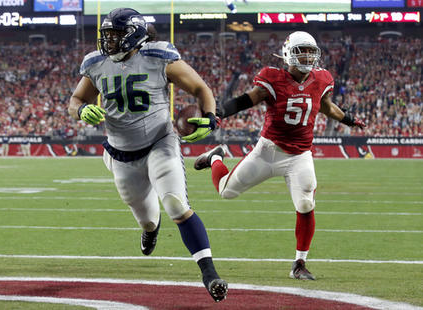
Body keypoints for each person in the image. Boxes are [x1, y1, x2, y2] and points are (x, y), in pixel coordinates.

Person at [68, 8, 227, 302]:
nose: (109, 41)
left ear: (134, 34)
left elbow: (200, 87)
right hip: (121, 152)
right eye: (107, 35)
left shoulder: (158, 56)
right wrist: (80, 109)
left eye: (116, 35)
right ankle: (151, 230)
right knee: (147, 219)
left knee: (176, 204)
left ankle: (209, 273)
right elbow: (76, 98)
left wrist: (210, 116)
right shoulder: (96, 62)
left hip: (159, 142)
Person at [194, 31, 366, 280]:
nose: (306, 56)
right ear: (288, 54)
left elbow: (326, 106)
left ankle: (299, 263)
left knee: (306, 203)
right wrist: (221, 111)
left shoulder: (322, 79)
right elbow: (247, 99)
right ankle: (215, 158)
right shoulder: (272, 78)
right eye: (301, 51)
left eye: (310, 51)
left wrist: (349, 119)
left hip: (299, 156)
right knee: (226, 191)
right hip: (267, 152)